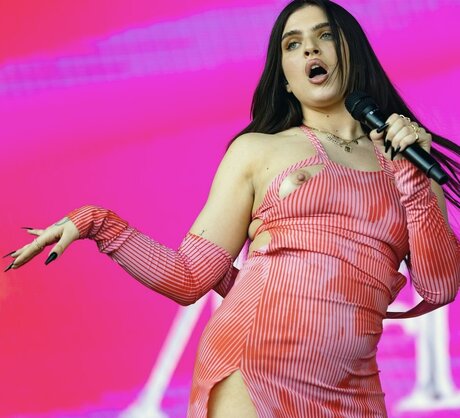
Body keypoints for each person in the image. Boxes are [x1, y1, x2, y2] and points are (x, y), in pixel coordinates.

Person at [4, 0, 460, 416]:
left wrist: (411, 176)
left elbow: (439, 287)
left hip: (355, 389)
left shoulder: (408, 162)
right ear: (285, 77)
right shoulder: (257, 151)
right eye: (293, 44)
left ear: (353, 53)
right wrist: (97, 223)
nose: (309, 49)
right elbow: (188, 278)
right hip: (254, 365)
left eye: (324, 36)